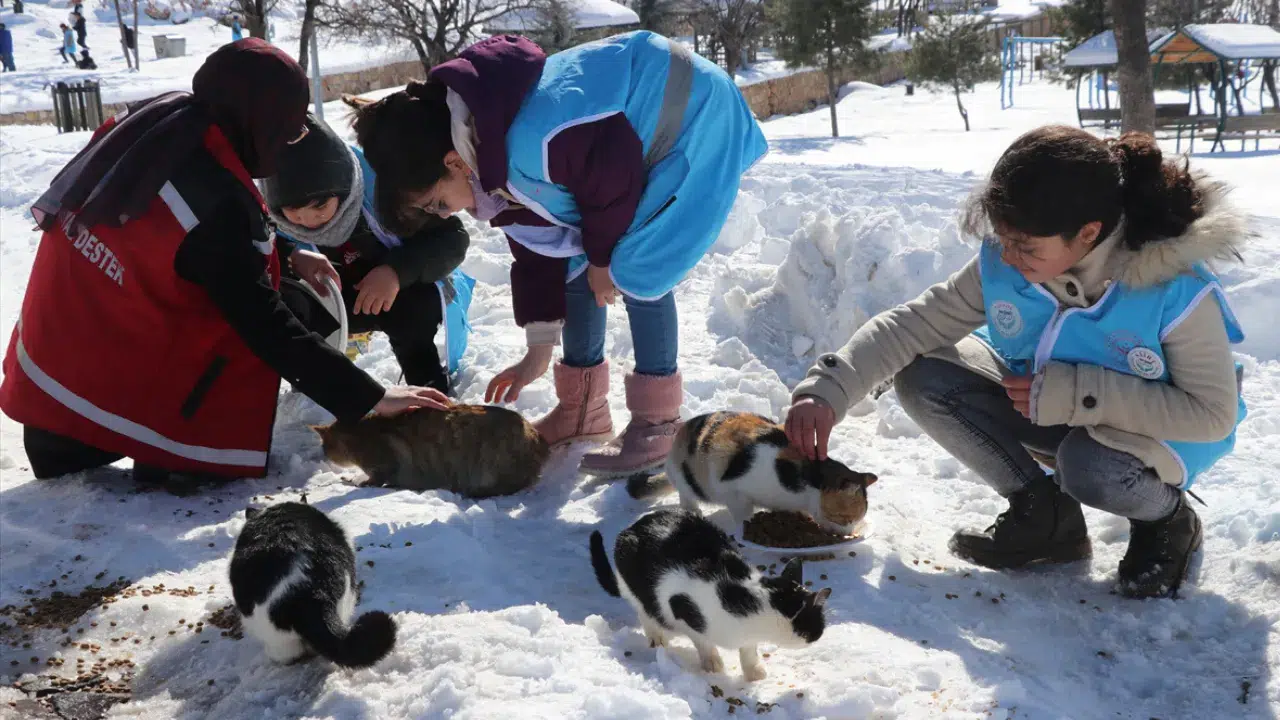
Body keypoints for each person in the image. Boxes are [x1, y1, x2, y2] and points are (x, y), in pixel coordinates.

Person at [785, 126, 1248, 599]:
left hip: (1159, 434)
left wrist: (1075, 394)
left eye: (1025, 245)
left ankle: (1167, 519)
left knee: (1089, 466)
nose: (1008, 256)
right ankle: (1045, 518)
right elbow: (914, 325)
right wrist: (829, 387)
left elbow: (1212, 415)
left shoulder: (1174, 288)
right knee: (926, 376)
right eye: (1003, 238)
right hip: (1050, 404)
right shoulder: (1010, 261)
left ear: (1088, 233)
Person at [0, 39, 448, 484]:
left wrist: (289, 252)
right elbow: (263, 323)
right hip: (88, 418)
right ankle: (172, 453)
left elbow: (172, 247)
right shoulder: (216, 199)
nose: (292, 140)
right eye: (289, 128)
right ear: (261, 123)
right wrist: (370, 397)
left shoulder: (157, 126)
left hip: (47, 383)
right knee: (245, 337)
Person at [349, 31, 768, 475]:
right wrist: (538, 350)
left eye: (437, 203)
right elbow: (540, 246)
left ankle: (658, 425)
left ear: (453, 163)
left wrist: (604, 262)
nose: (446, 213)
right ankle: (582, 409)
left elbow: (611, 183)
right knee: (574, 258)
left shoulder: (533, 138)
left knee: (639, 265)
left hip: (692, 116)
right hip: (636, 139)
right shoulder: (486, 153)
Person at [264, 112, 471, 395]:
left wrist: (395, 272)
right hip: (332, 300)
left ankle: (427, 380)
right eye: (294, 216)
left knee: (417, 308)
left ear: (342, 189)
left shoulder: (388, 192)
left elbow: (451, 238)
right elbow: (255, 263)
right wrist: (291, 258)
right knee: (286, 304)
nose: (310, 222)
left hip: (391, 294)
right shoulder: (270, 220)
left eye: (320, 209)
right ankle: (320, 387)